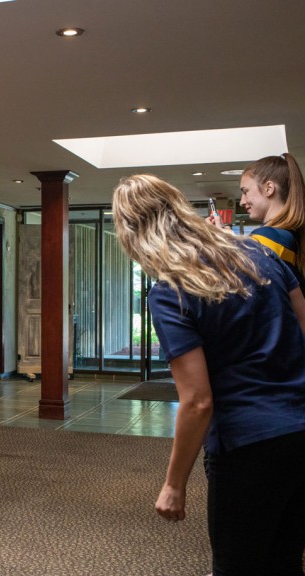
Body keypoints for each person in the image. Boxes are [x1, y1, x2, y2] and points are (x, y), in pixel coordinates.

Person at [113, 174, 305, 576]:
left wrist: (174, 484)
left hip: (247, 443)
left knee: (238, 565)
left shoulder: (171, 290)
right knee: (285, 560)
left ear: (133, 233)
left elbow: (198, 402)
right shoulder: (261, 254)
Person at [212, 153, 305, 291]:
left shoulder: (268, 237)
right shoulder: (289, 234)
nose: (242, 201)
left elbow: (236, 283)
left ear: (269, 188)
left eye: (246, 191)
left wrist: (220, 242)